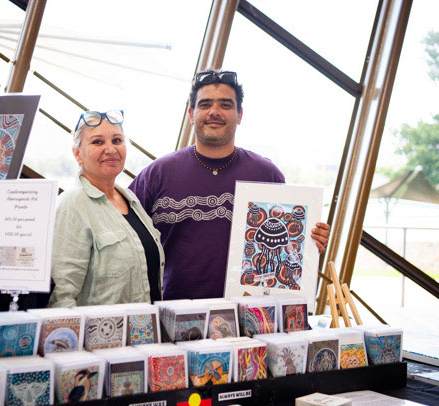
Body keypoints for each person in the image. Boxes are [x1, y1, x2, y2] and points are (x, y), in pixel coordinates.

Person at [129, 70, 330, 300]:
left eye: (225, 105)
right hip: (173, 319)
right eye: (205, 104)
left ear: (239, 115)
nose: (214, 112)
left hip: (250, 320)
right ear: (192, 114)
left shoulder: (267, 175)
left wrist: (311, 241)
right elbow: (122, 234)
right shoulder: (157, 174)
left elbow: (286, 251)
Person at [49, 110, 165, 307]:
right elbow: (61, 298)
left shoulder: (132, 201)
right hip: (100, 337)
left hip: (147, 333)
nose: (110, 149)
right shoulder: (71, 205)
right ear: (77, 153)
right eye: (97, 142)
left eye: (117, 140)